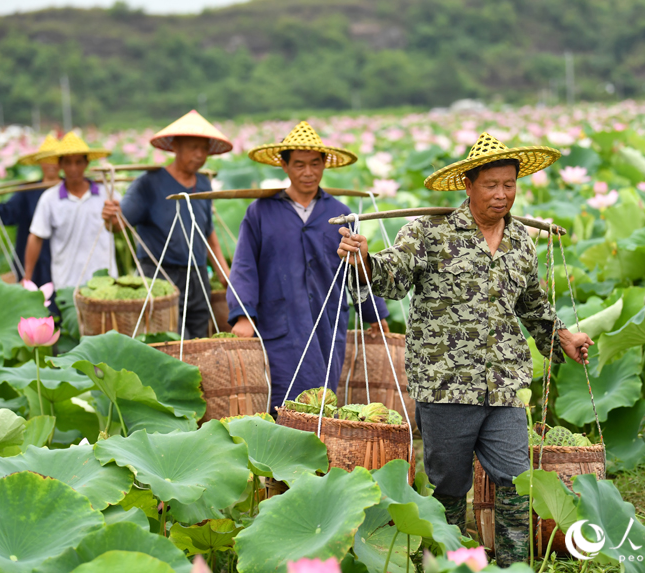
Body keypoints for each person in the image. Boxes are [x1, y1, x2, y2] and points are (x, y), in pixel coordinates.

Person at [337, 132, 594, 566]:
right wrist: (363, 260)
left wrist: (563, 337)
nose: (502, 194)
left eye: (509, 185)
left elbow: (533, 306)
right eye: (491, 185)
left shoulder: (521, 241)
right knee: (450, 487)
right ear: (468, 185)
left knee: (516, 481)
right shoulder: (428, 232)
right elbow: (392, 276)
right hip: (446, 386)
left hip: (505, 384)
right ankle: (446, 563)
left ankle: (514, 566)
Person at [228, 121, 390, 410]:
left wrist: (374, 313)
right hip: (279, 321)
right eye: (299, 165)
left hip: (327, 320)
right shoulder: (260, 212)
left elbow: (355, 268)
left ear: (325, 164)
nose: (308, 172)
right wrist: (243, 316)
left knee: (323, 399)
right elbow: (244, 266)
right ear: (284, 166)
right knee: (282, 400)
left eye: (315, 164)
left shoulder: (340, 214)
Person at [101, 110, 232, 339]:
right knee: (173, 338)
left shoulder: (203, 184)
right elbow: (118, 225)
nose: (199, 155)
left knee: (200, 336)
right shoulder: (148, 184)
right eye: (193, 147)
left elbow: (208, 232)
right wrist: (109, 216)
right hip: (160, 275)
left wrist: (223, 270)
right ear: (175, 147)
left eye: (204, 149)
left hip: (198, 275)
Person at [26, 133, 117, 289]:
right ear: (60, 165)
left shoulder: (106, 193)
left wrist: (113, 218)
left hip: (105, 280)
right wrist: (27, 277)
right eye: (68, 163)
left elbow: (120, 226)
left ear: (86, 163)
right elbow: (36, 236)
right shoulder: (49, 198)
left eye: (78, 162)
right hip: (67, 283)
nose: (73, 168)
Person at [0, 134, 60, 286]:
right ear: (40, 162)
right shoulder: (28, 191)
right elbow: (7, 213)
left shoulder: (70, 190)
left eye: (56, 159)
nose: (51, 164)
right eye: (47, 159)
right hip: (33, 262)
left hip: (62, 258)